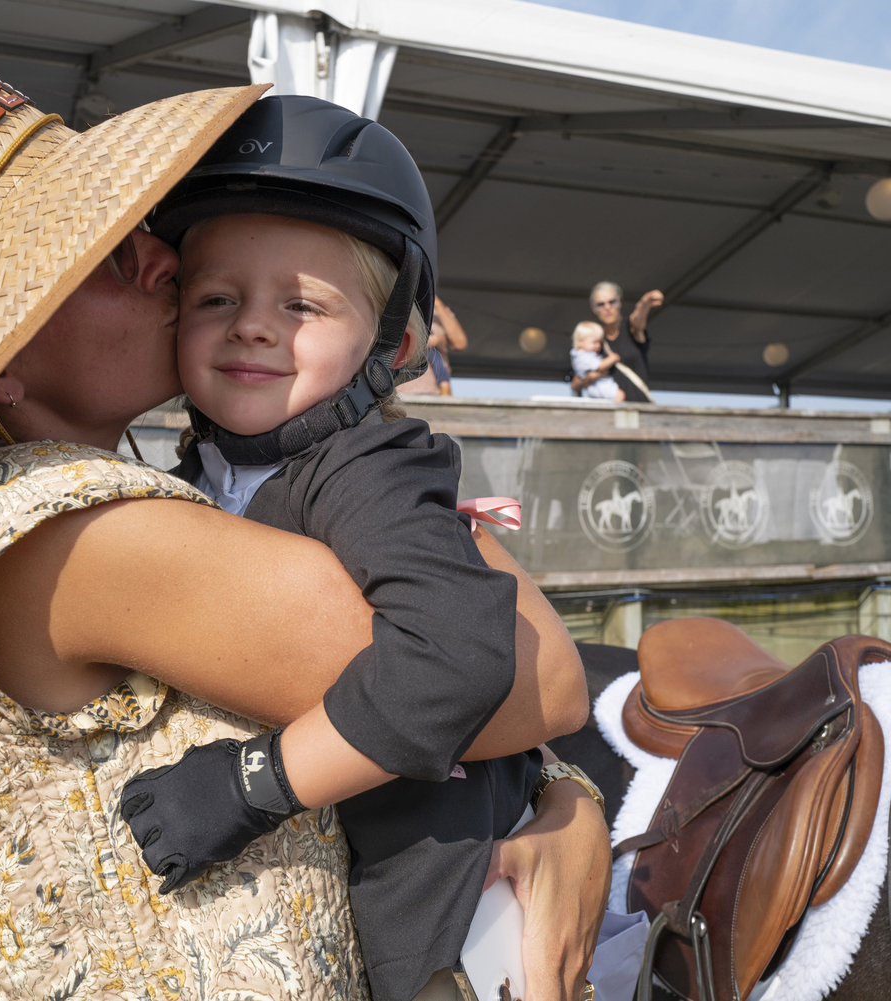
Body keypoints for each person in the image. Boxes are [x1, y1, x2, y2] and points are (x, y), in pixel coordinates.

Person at [0, 35, 610, 1001]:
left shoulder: (110, 494)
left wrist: (560, 801)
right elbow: (534, 678)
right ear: (0, 361)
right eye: (105, 251)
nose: (160, 257)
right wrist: (568, 804)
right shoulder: (69, 532)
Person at [118, 96, 575, 1001]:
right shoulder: (206, 467)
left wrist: (254, 782)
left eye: (302, 304)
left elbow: (453, 654)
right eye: (218, 297)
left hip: (439, 913)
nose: (254, 324)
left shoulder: (369, 465)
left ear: (394, 343)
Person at [573, 281, 660, 402]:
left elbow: (638, 319)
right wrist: (593, 376)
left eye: (612, 302)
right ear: (594, 308)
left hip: (639, 410)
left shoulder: (631, 328)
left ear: (620, 302)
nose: (607, 307)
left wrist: (644, 303)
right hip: (609, 415)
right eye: (600, 304)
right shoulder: (594, 341)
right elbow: (575, 384)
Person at [570, 321, 624, 402]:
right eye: (594, 342)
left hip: (597, 387)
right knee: (620, 395)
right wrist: (614, 358)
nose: (598, 345)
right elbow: (600, 366)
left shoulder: (581, 355)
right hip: (599, 387)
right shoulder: (583, 356)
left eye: (599, 342)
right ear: (580, 341)